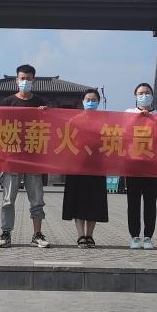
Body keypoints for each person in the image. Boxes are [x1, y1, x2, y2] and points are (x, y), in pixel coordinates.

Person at [0, 64, 49, 249]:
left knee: (37, 200)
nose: (25, 81)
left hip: (33, 159)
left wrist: (46, 114)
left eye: (28, 79)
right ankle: (6, 234)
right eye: (22, 78)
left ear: (34, 80)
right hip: (12, 158)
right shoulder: (7, 102)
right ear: (16, 80)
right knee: (8, 200)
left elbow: (50, 129)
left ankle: (37, 234)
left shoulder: (41, 103)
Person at [62, 89, 108, 248]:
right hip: (77, 165)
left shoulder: (104, 121)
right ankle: (81, 235)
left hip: (97, 165)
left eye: (94, 100)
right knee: (78, 200)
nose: (91, 102)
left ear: (98, 102)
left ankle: (90, 235)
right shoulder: (74, 120)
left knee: (94, 201)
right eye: (88, 99)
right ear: (83, 101)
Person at [125, 83, 157, 250]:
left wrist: (152, 119)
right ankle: (134, 236)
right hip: (133, 165)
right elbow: (122, 133)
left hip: (152, 166)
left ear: (152, 95)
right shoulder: (128, 113)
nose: (144, 95)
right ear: (135, 96)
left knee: (150, 203)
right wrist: (138, 118)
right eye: (140, 93)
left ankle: (148, 237)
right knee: (133, 203)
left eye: (147, 92)